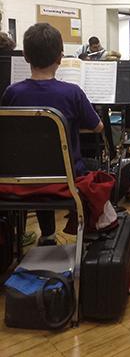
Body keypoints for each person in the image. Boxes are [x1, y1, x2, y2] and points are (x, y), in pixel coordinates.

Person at [1, 23, 104, 245]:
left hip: (22, 177)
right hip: (66, 178)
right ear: (60, 57)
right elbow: (98, 128)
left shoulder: (12, 93)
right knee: (95, 166)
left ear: (26, 56)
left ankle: (47, 235)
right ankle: (89, 234)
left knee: (40, 160)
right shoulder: (72, 92)